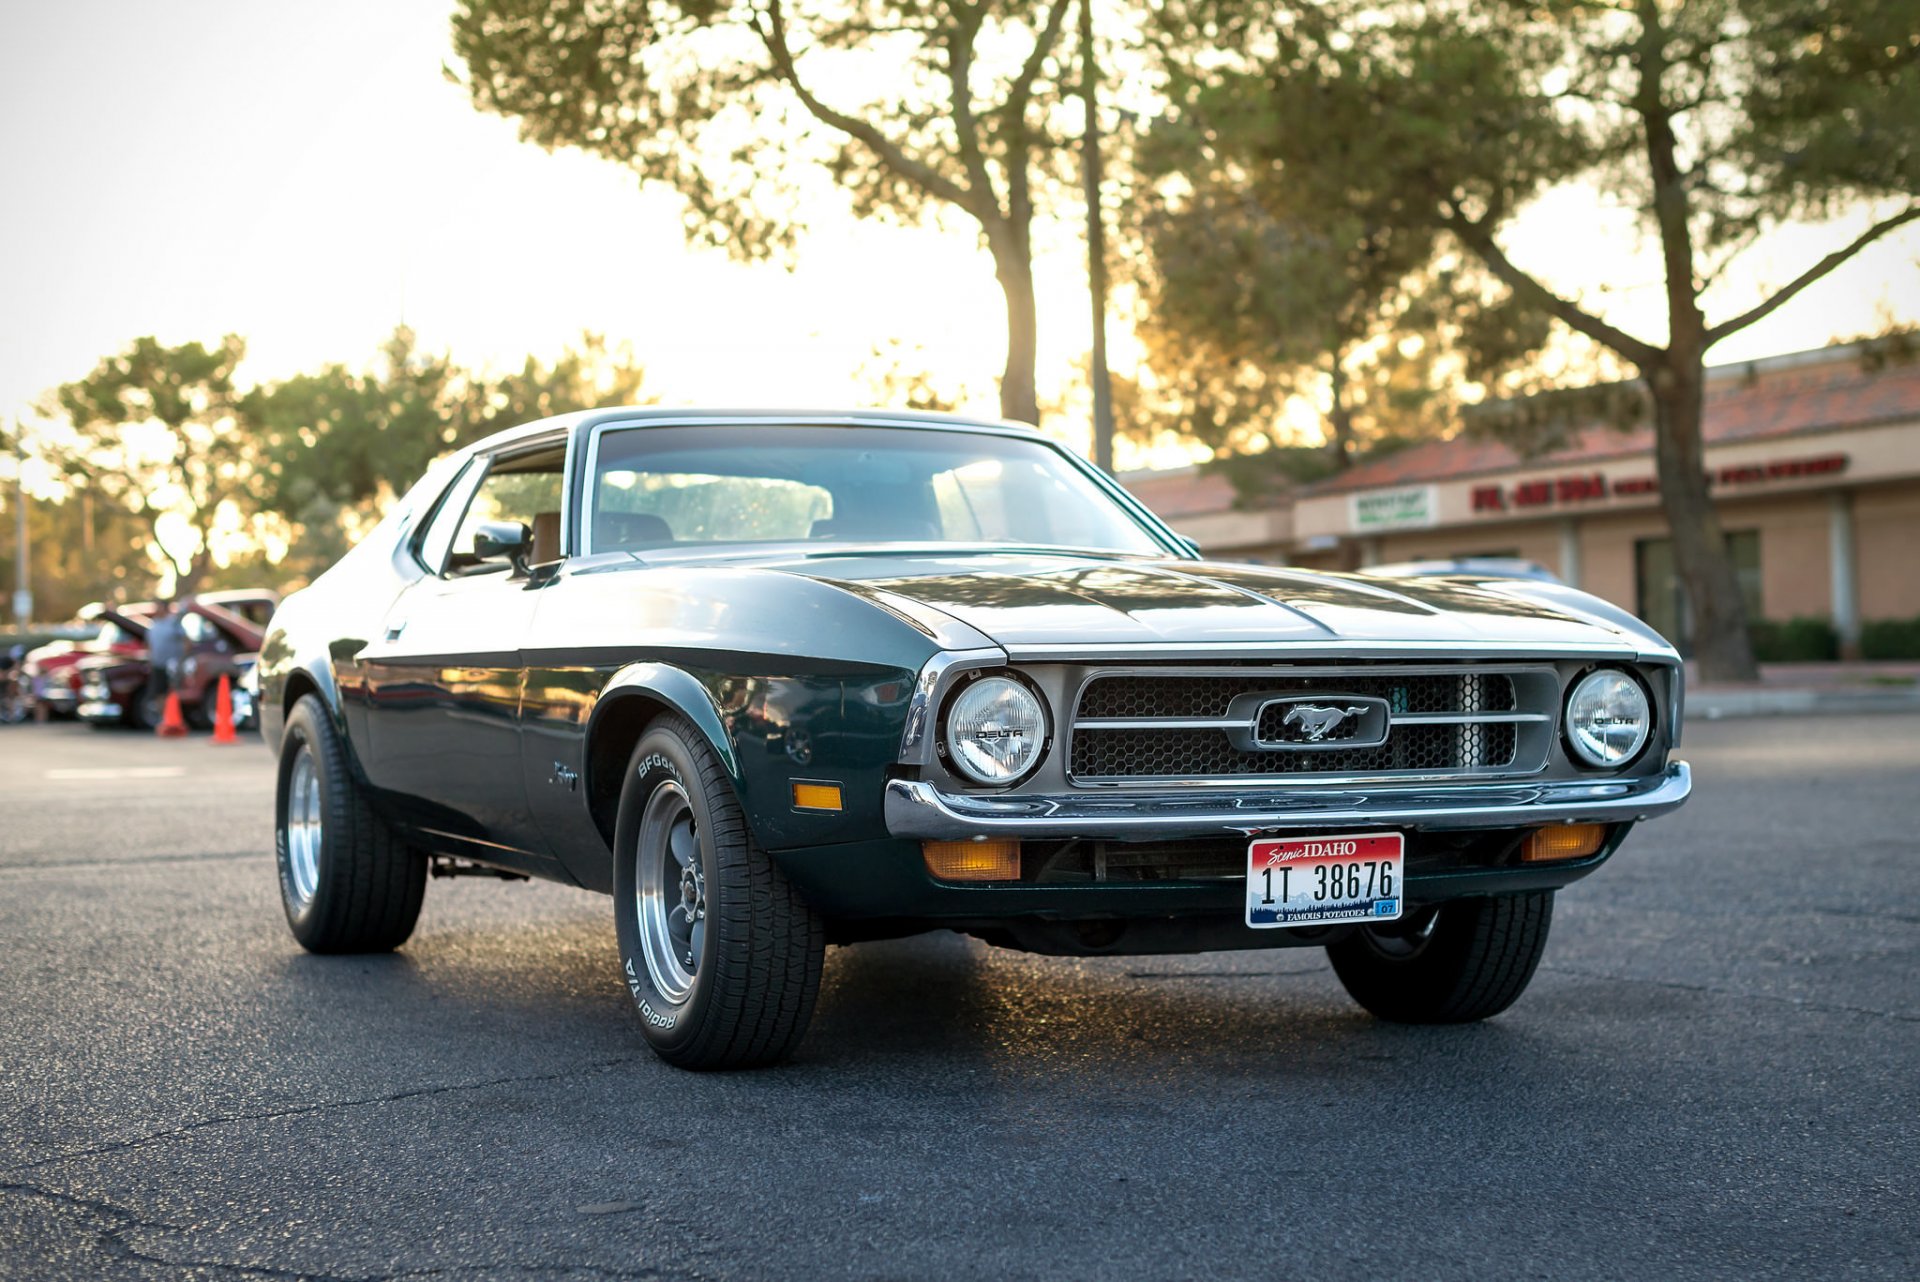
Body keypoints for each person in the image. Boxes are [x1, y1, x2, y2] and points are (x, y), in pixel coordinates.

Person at [144, 596, 189, 716]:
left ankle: (175, 718)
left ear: (165, 607)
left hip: (173, 666)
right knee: (158, 692)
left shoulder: (173, 623)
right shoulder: (153, 624)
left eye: (158, 606)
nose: (156, 609)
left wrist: (181, 660)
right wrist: (150, 659)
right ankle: (164, 719)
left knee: (173, 692)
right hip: (157, 664)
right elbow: (150, 645)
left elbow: (186, 642)